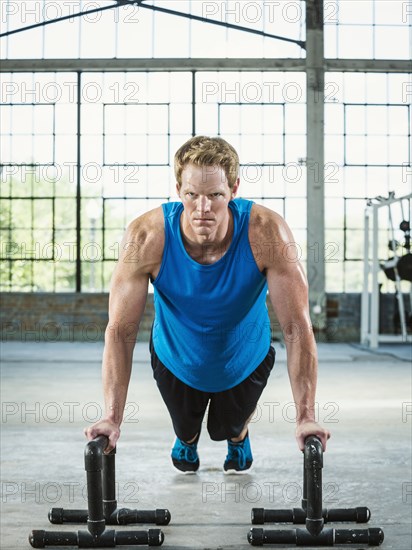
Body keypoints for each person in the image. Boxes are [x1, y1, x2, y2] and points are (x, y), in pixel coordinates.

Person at [85, 135, 331, 474]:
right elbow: (120, 330)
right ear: (178, 190)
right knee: (186, 429)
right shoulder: (146, 237)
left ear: (233, 189)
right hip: (176, 358)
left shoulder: (267, 233)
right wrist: (111, 418)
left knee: (226, 427)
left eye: (215, 195)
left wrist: (306, 418)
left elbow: (296, 327)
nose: (203, 208)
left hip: (245, 358)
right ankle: (186, 440)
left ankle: (239, 435)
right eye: (192, 195)